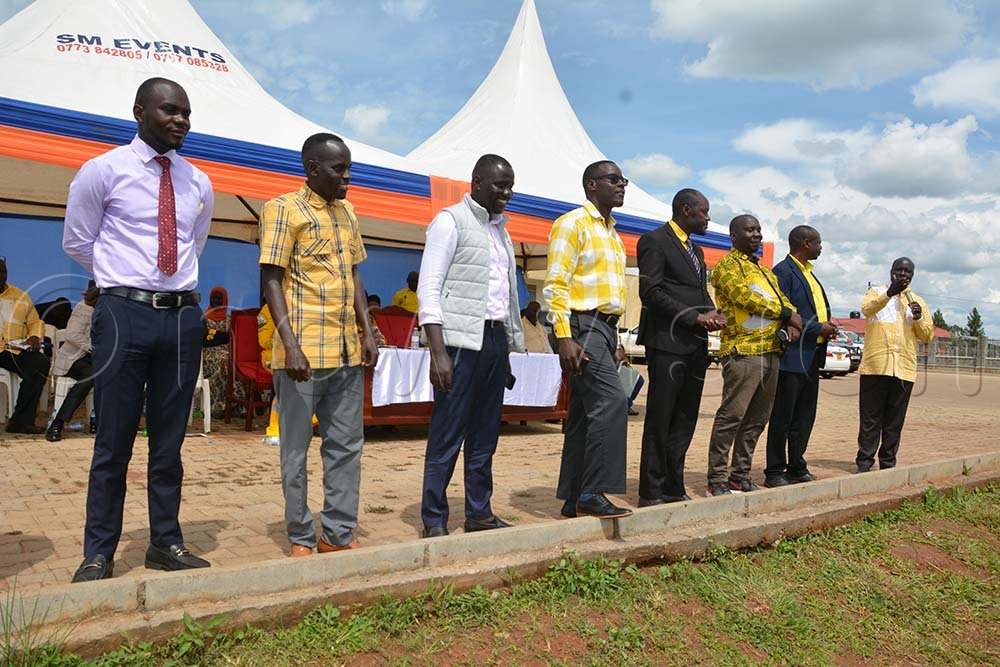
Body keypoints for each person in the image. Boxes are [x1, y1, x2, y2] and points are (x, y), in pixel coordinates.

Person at [63, 77, 214, 582]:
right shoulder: (101, 171)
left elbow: (194, 245)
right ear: (139, 112)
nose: (181, 121)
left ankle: (165, 543)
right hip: (123, 315)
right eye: (170, 110)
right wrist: (118, 281)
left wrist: (170, 294)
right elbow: (79, 241)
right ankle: (99, 551)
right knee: (114, 439)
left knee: (170, 440)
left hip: (181, 319)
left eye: (186, 113)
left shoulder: (198, 181)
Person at [259, 132, 379, 557]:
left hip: (346, 351)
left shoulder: (348, 213)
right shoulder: (282, 210)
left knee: (346, 446)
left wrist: (367, 331)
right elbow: (271, 277)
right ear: (312, 168)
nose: (347, 177)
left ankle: (337, 532)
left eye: (349, 168)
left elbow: (356, 277)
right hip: (302, 355)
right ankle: (300, 535)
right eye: (339, 169)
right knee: (295, 449)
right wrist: (289, 343)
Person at [416, 154, 525, 538]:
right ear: (477, 182)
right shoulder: (450, 221)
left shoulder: (502, 232)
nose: (507, 193)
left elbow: (505, 296)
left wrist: (509, 349)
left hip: (494, 341)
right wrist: (438, 351)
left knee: (485, 434)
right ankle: (433, 519)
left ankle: (479, 512)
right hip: (460, 343)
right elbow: (428, 287)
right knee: (448, 433)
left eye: (511, 185)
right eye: (500, 185)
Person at [543, 160, 632, 520]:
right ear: (591, 185)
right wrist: (563, 337)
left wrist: (617, 340)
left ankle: (573, 497)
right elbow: (556, 284)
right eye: (614, 179)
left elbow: (610, 292)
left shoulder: (612, 233)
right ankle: (592, 492)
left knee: (583, 414)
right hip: (582, 326)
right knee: (612, 402)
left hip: (604, 329)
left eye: (623, 179)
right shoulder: (572, 224)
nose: (622, 185)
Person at [635, 189, 726, 506]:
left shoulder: (696, 251)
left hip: (695, 347)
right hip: (667, 344)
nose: (708, 218)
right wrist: (695, 318)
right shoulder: (654, 241)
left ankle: (674, 486)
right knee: (661, 418)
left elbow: (698, 292)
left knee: (685, 419)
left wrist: (713, 313)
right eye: (704, 212)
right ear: (686, 210)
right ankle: (651, 490)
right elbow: (650, 291)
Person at [706, 215, 802, 497]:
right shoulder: (727, 267)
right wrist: (787, 315)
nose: (757, 235)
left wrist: (790, 323)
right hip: (743, 351)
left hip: (771, 350)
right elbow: (743, 298)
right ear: (734, 236)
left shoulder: (765, 271)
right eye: (750, 230)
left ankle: (740, 475)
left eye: (759, 230)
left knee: (758, 419)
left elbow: (786, 301)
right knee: (731, 416)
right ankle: (717, 478)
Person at [764, 226, 839, 487]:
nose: (821, 247)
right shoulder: (784, 272)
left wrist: (827, 327)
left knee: (804, 416)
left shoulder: (810, 274)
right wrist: (819, 328)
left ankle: (796, 464)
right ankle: (774, 470)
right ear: (806, 243)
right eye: (819, 242)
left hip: (811, 357)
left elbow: (813, 310)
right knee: (783, 416)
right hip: (791, 357)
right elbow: (784, 312)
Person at [855, 257, 934, 472]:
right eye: (899, 270)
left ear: (913, 275)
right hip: (876, 367)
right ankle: (864, 462)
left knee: (894, 421)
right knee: (870, 419)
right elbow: (866, 309)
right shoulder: (877, 293)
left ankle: (888, 464)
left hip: (904, 370)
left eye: (908, 272)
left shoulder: (917, 302)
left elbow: (927, 336)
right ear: (891, 272)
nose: (903, 275)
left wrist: (917, 318)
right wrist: (890, 292)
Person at [0, 257, 51, 434]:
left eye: (3, 271)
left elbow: (35, 322)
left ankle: (20, 421)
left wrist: (35, 337)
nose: (1, 275)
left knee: (39, 363)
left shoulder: (20, 296)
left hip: (12, 350)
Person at [46, 281, 98, 442]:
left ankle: (100, 420)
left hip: (95, 359)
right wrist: (93, 349)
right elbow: (72, 336)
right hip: (73, 359)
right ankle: (58, 423)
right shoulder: (83, 309)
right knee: (92, 374)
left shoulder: (108, 310)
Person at [202, 285, 235, 415]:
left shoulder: (230, 320)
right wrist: (223, 337)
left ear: (225, 300)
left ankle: (235, 405)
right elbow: (204, 340)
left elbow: (233, 338)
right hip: (208, 355)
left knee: (233, 362)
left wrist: (216, 335)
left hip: (228, 353)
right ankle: (218, 406)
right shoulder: (203, 319)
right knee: (224, 362)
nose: (216, 301)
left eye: (219, 298)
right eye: (213, 298)